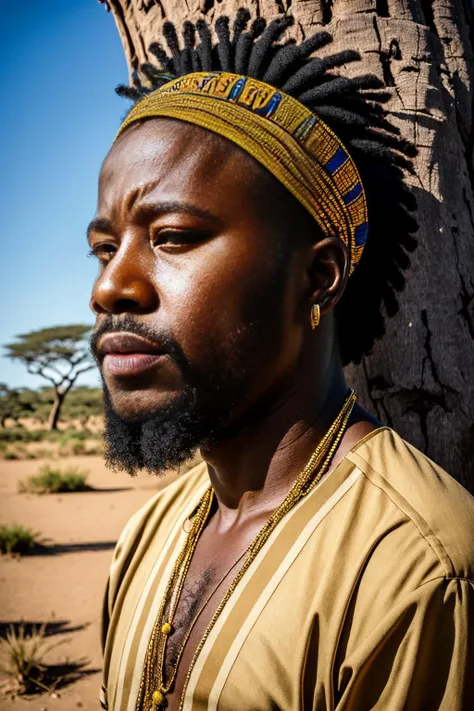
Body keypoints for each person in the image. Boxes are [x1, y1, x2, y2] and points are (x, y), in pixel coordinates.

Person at [88, 11, 474, 711]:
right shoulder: (149, 533)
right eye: (104, 246)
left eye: (172, 236)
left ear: (317, 277)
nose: (110, 286)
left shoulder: (415, 569)